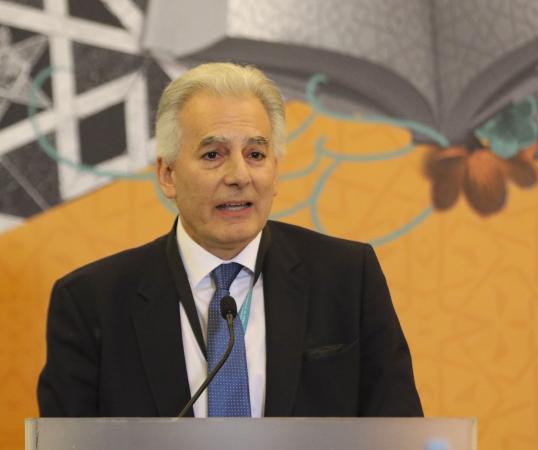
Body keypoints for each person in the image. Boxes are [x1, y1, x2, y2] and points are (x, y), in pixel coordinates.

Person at [38, 62, 423, 417]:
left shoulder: (347, 278)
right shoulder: (92, 303)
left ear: (275, 170)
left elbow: (400, 432)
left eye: (255, 154)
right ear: (168, 175)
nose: (239, 175)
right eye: (212, 155)